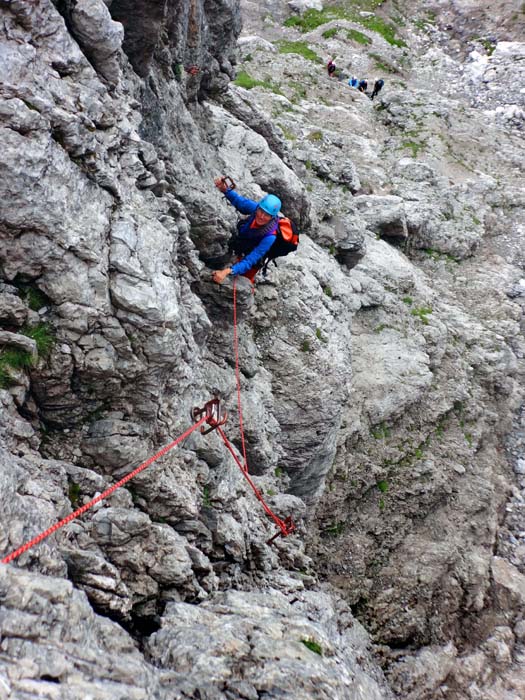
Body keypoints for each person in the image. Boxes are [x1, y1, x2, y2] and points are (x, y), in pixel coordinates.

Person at [212, 177, 281, 284]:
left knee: (245, 282)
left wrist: (228, 271)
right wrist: (225, 189)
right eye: (261, 211)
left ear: (272, 217)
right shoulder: (256, 208)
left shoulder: (270, 236)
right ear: (259, 208)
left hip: (253, 256)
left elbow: (250, 260)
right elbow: (240, 202)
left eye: (267, 215)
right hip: (242, 243)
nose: (261, 216)